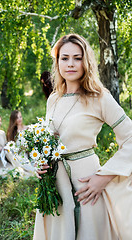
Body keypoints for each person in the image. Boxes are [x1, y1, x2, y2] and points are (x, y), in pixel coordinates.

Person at [33, 34, 132, 240]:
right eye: (65, 58)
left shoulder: (99, 97)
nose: (70, 64)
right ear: (57, 61)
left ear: (86, 61)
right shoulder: (53, 99)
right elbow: (50, 142)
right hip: (56, 185)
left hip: (87, 186)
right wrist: (41, 164)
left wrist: (104, 177)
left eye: (77, 58)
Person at [6, 110, 35, 177]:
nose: (19, 119)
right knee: (28, 167)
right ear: (13, 119)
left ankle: (33, 171)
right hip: (20, 153)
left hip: (30, 151)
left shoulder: (27, 128)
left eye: (20, 117)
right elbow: (11, 146)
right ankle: (31, 172)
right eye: (17, 118)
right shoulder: (12, 132)